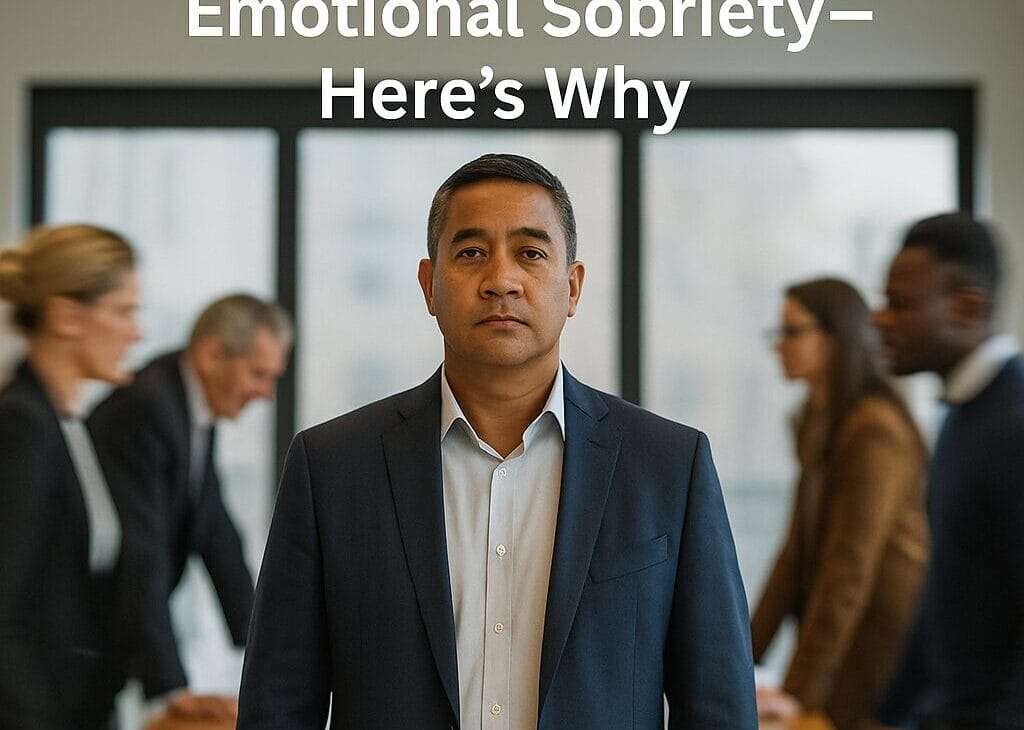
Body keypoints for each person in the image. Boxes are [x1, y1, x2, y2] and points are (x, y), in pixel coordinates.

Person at [237, 154, 757, 729]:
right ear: (429, 285)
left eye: (530, 253)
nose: (501, 280)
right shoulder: (332, 467)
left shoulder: (668, 466)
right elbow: (276, 708)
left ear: (573, 287)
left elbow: (719, 709)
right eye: (471, 253)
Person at [88, 293, 292, 720]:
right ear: (213, 354)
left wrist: (269, 646)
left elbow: (215, 531)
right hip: (80, 639)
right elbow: (141, 551)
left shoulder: (188, 406)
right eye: (258, 374)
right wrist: (170, 686)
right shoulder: (146, 407)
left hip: (110, 636)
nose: (266, 393)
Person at [750, 278, 928, 730]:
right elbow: (794, 555)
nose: (779, 346)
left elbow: (848, 568)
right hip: (847, 643)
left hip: (880, 647)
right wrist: (737, 661)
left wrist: (797, 692)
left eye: (792, 332)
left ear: (835, 337)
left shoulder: (874, 428)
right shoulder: (819, 420)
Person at [874, 214, 1024, 730]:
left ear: (966, 306)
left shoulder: (1014, 423)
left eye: (901, 304)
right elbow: (948, 591)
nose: (881, 320)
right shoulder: (963, 415)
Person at [0, 224, 141, 729]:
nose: (136, 333)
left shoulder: (66, 424)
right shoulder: (23, 425)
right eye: (123, 312)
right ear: (66, 317)